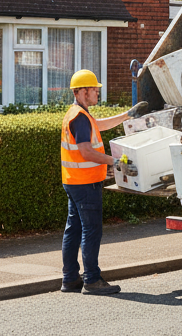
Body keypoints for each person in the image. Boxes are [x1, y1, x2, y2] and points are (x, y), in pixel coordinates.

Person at [60, 69, 147, 295]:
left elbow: (99, 125)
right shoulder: (80, 117)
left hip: (74, 182)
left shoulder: (78, 114)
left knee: (74, 230)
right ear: (82, 92)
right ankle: (92, 280)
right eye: (94, 89)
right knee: (91, 231)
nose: (97, 93)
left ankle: (70, 279)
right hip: (85, 184)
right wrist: (115, 162)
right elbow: (86, 152)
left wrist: (127, 115)